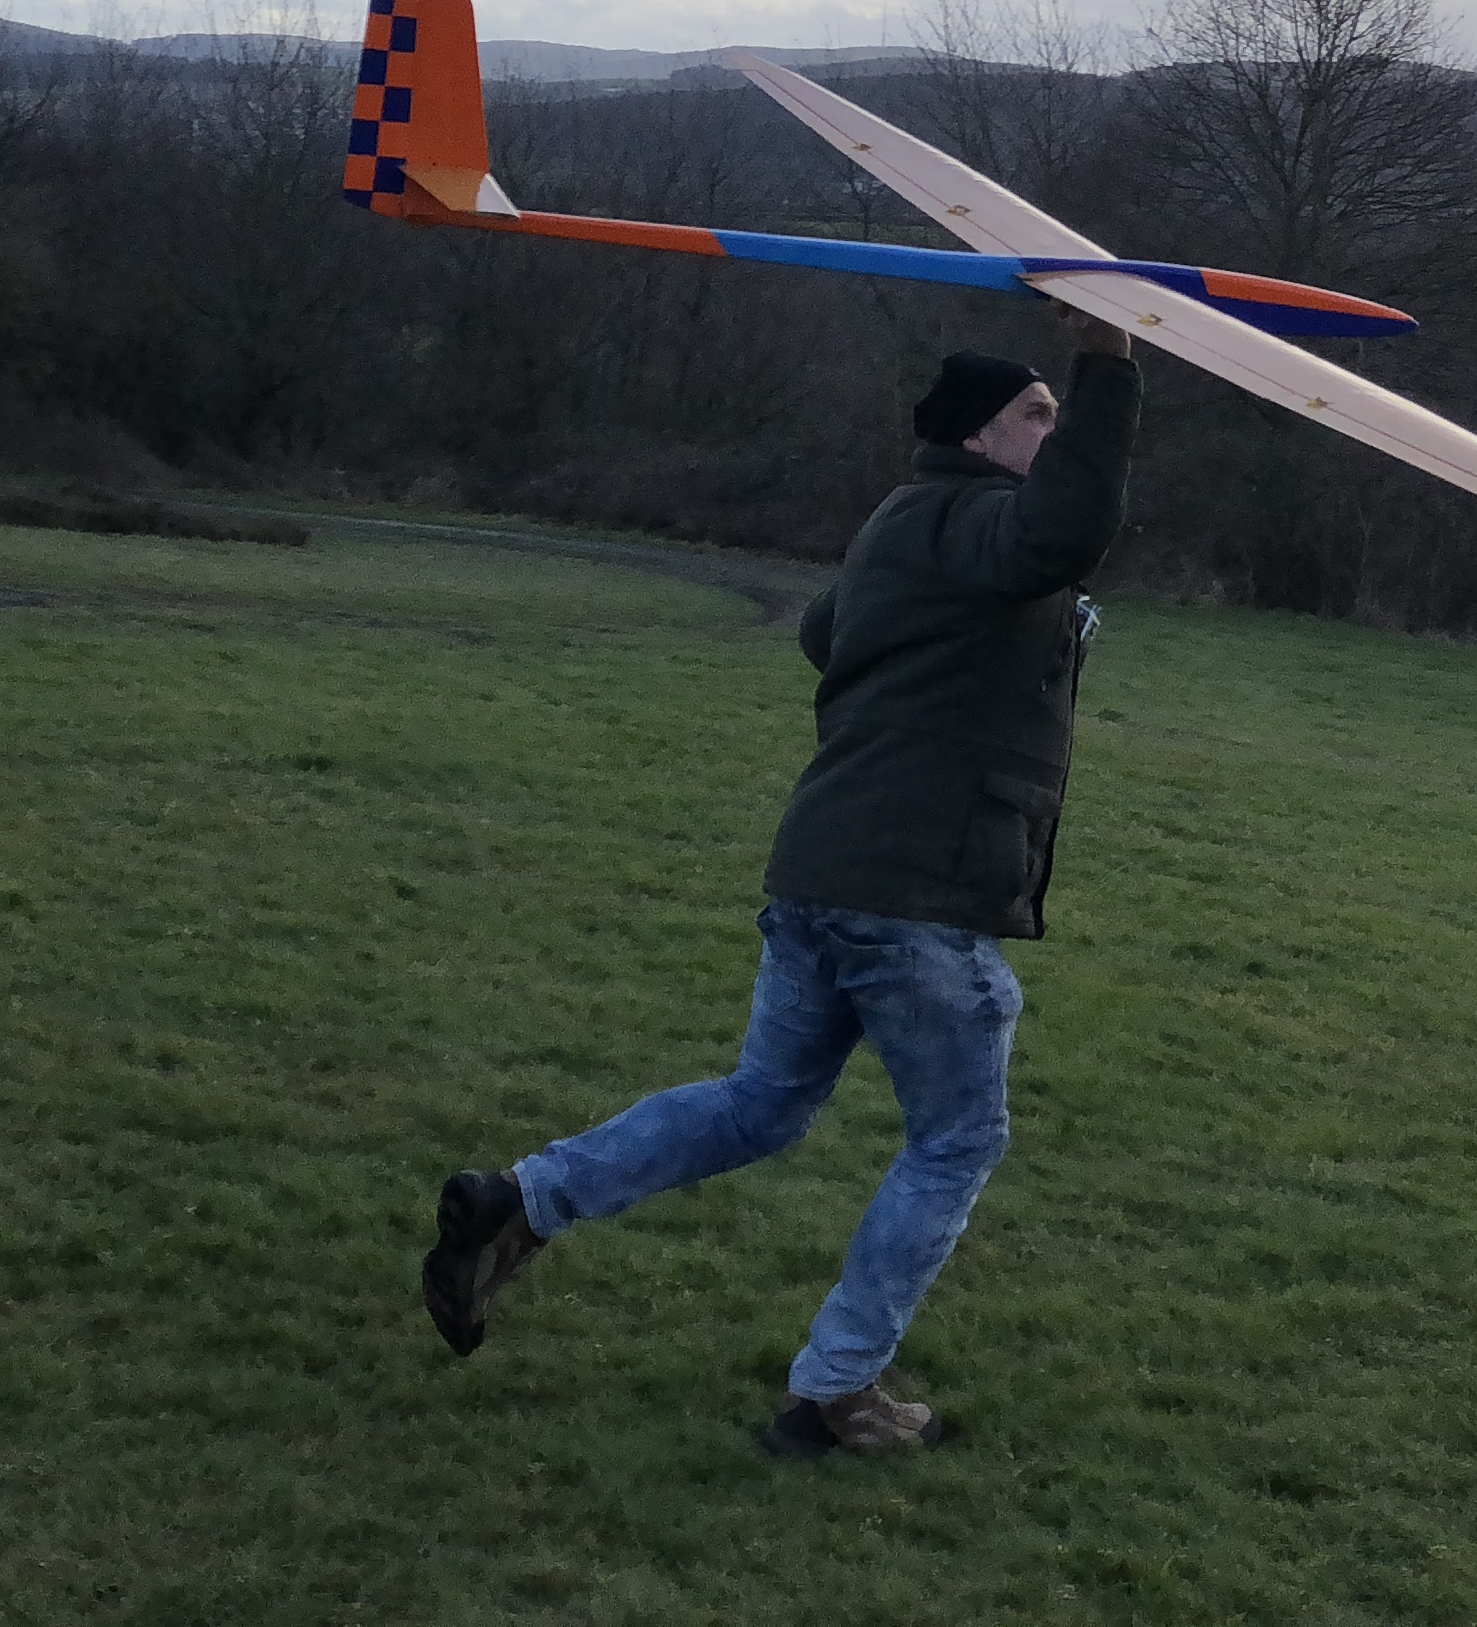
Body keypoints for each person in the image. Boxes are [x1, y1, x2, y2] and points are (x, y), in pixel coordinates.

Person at [422, 306, 1143, 1457]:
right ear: (976, 437)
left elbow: (826, 632)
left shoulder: (906, 526)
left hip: (820, 875)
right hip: (916, 898)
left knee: (763, 1103)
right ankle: (835, 1394)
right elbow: (1068, 528)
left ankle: (521, 1199)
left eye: (1060, 413)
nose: (1053, 433)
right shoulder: (978, 525)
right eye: (1036, 414)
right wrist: (1107, 366)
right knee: (956, 1141)